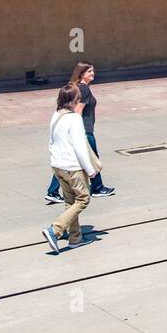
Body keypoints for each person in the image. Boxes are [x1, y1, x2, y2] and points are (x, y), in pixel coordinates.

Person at [44, 61, 114, 202]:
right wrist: (79, 131)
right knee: (92, 157)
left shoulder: (78, 88)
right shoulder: (84, 90)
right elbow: (78, 111)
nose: (92, 74)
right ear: (81, 74)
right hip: (85, 131)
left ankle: (53, 191)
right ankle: (97, 188)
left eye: (93, 71)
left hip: (83, 130)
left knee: (84, 158)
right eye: (89, 72)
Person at [42, 84, 100, 253]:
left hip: (58, 166)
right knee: (83, 199)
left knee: (70, 202)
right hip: (72, 167)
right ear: (75, 100)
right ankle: (55, 229)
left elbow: (52, 141)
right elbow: (80, 148)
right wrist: (90, 170)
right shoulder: (74, 119)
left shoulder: (56, 115)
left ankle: (75, 238)